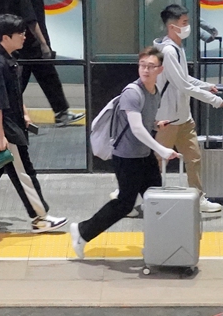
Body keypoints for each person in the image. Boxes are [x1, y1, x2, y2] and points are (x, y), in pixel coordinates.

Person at [70, 48, 180, 259]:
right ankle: (82, 232)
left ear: (160, 69)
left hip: (144, 155)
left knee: (155, 200)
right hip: (127, 157)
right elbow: (137, 128)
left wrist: (157, 124)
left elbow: (144, 123)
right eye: (142, 66)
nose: (146, 70)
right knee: (125, 204)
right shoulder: (132, 92)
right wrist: (162, 149)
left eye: (151, 66)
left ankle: (156, 245)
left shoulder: (154, 91)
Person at [0, 13, 68, 233]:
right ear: (5, 37)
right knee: (24, 172)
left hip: (5, 126)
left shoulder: (5, 58)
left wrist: (25, 112)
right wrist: (1, 135)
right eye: (19, 33)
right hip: (6, 130)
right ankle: (40, 218)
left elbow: (13, 94)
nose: (24, 36)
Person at [153, 4, 223, 214]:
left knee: (194, 158)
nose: (188, 27)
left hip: (184, 117)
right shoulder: (167, 51)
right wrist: (212, 99)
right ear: (172, 26)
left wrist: (204, 85)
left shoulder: (177, 48)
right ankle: (130, 195)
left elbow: (184, 78)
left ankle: (198, 197)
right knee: (156, 161)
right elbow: (182, 85)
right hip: (169, 119)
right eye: (184, 23)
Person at [4, 0, 84, 127]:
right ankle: (3, 115)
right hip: (27, 46)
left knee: (48, 78)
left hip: (29, 45)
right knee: (18, 83)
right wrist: (43, 43)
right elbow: (30, 18)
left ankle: (61, 113)